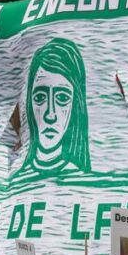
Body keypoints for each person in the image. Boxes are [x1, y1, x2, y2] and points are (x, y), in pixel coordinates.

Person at [19, 38, 91, 176]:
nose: (50, 115)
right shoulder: (16, 183)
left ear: (75, 105)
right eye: (40, 98)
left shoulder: (84, 184)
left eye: (62, 98)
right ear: (29, 103)